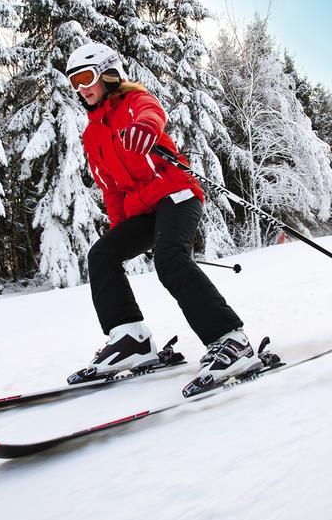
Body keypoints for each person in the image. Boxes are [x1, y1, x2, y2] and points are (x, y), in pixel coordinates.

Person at [66, 42, 260, 392]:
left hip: (177, 194)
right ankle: (130, 339)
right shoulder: (91, 135)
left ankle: (231, 341)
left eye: (85, 77)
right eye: (74, 82)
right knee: (102, 254)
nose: (81, 88)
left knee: (170, 259)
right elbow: (110, 188)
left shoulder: (133, 103)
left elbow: (152, 111)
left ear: (108, 74)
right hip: (142, 210)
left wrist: (145, 128)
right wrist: (120, 233)